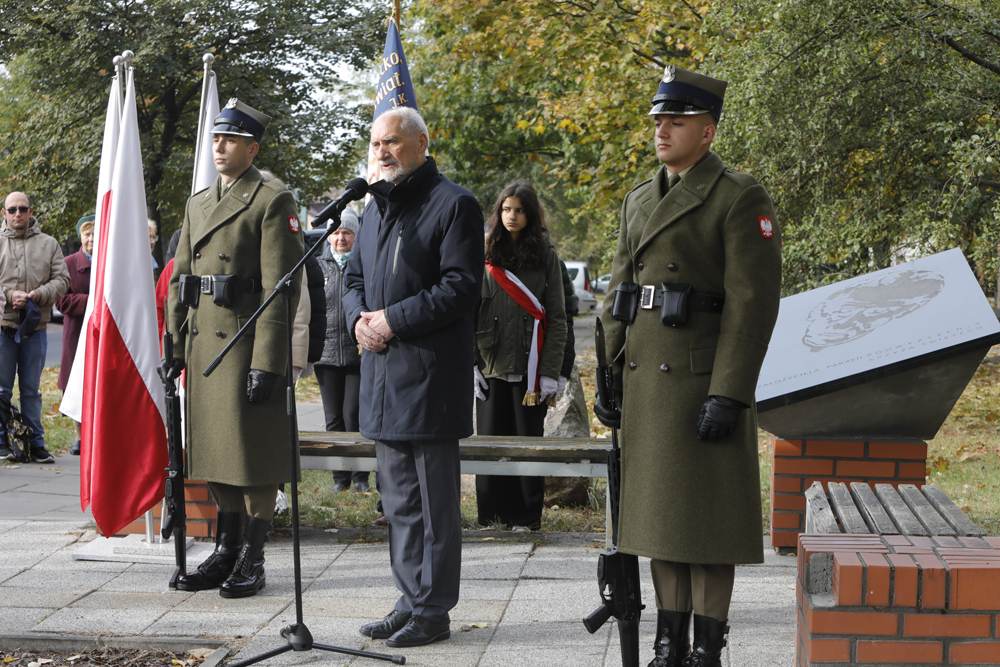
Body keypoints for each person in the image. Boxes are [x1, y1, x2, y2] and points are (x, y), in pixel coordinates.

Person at [594, 66, 782, 667]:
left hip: (701, 385)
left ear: (708, 130)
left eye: (676, 120)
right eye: (658, 120)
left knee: (705, 532)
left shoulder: (737, 196)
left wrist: (729, 393)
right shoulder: (638, 198)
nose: (662, 130)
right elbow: (619, 296)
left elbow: (752, 307)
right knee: (659, 529)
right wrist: (608, 373)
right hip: (648, 386)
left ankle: (706, 652)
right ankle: (667, 648)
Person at [343, 106, 484, 648]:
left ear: (422, 144)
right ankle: (409, 598)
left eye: (393, 142)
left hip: (428, 380)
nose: (382, 151)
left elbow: (459, 287)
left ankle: (434, 609)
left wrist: (391, 320)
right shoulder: (374, 209)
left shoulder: (454, 204)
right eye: (377, 142)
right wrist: (360, 318)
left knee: (433, 505)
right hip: (381, 376)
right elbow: (353, 278)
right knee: (398, 502)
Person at [163, 99, 303, 598]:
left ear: (252, 147)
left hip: (244, 347)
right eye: (215, 139)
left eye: (230, 140)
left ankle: (254, 556)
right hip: (204, 348)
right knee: (215, 452)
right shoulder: (197, 203)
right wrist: (174, 344)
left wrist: (268, 362)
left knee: (253, 457)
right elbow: (182, 280)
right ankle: (225, 550)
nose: (218, 147)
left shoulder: (272, 199)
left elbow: (281, 288)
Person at [473, 180, 567, 530]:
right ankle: (492, 518)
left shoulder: (546, 255)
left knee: (529, 446)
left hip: (531, 367)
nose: (511, 216)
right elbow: (467, 311)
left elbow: (558, 316)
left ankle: (527, 518)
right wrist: (470, 364)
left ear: (531, 214)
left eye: (519, 210)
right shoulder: (482, 253)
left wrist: (550, 371)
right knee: (491, 446)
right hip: (491, 364)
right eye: (506, 209)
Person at [0, 192, 70, 463]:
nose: (18, 214)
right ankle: (2, 442)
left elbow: (62, 280)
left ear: (31, 211)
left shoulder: (49, 244)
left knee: (31, 390)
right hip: (3, 327)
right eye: (12, 209)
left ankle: (35, 443)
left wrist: (38, 294)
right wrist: (8, 294)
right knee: (2, 390)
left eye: (23, 209)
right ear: (4, 213)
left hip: (35, 328)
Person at [314, 208, 367, 492]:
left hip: (356, 354)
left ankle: (360, 478)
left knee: (353, 415)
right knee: (333, 419)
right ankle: (340, 478)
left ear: (356, 236)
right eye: (335, 233)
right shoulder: (318, 267)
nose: (340, 238)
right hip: (326, 355)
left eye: (347, 232)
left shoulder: (363, 266)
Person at [56, 215, 95, 456]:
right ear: (80, 237)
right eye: (86, 234)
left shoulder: (110, 262)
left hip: (104, 333)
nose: (91, 239)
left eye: (95, 233)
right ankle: (80, 437)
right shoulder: (68, 262)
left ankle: (100, 435)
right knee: (76, 385)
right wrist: (91, 302)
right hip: (77, 333)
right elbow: (60, 299)